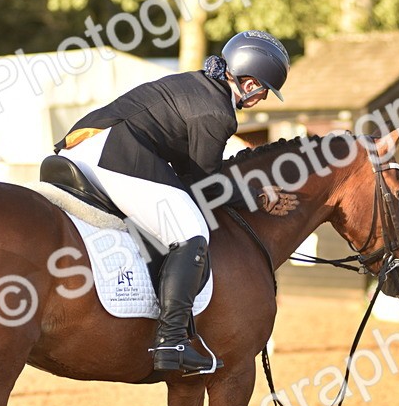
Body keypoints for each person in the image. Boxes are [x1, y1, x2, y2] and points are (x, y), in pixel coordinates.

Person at [55, 31, 297, 374]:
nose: (262, 98)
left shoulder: (199, 85)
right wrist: (256, 198)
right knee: (191, 229)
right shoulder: (218, 112)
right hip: (113, 154)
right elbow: (203, 184)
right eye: (262, 88)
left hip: (83, 146)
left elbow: (189, 170)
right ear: (247, 79)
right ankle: (172, 341)